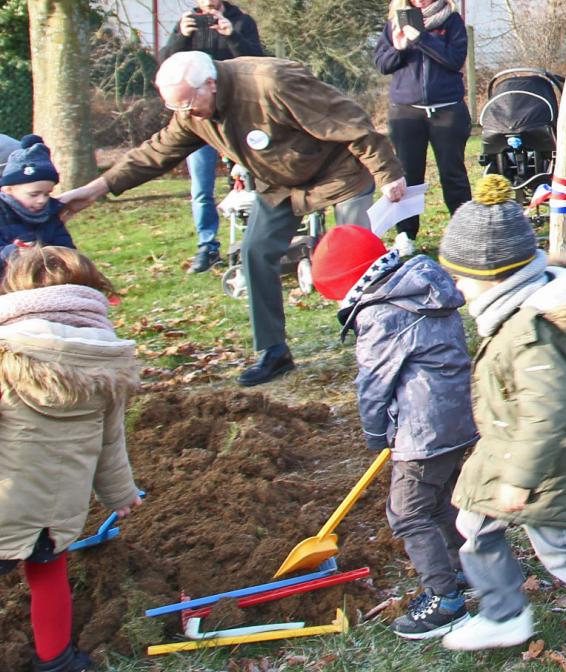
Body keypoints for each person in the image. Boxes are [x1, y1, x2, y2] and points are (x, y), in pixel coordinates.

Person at [58, 51, 406, 386]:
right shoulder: (193, 112)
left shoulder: (272, 82)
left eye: (187, 102)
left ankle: (376, 339)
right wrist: (96, 189)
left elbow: (350, 123)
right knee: (255, 252)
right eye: (176, 106)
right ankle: (273, 350)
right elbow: (157, 151)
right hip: (279, 185)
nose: (185, 112)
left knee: (358, 258)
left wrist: (388, 173)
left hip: (339, 173)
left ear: (209, 83)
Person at [437, 175, 566, 656]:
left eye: (462, 277)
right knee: (474, 525)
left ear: (495, 277)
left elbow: (545, 415)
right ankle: (504, 613)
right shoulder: (512, 312)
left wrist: (520, 478)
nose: (457, 287)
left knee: (557, 542)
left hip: (548, 460)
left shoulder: (533, 333)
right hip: (504, 448)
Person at [313, 223, 479, 640]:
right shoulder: (421, 287)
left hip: (424, 429)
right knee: (438, 502)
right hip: (459, 415)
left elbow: (373, 383)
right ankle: (468, 570)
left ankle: (443, 600)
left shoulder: (379, 313)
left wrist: (375, 434)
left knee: (406, 513)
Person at [0, 247, 141, 672]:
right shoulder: (107, 363)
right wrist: (121, 494)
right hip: (53, 511)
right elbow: (110, 442)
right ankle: (58, 660)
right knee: (47, 577)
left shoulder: (6, 353)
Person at [161, 0, 265, 274]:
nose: (208, 2)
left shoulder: (241, 21)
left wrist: (231, 35)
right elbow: (166, 62)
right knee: (201, 187)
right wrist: (182, 35)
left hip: (236, 113)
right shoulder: (187, 24)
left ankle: (253, 242)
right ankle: (207, 246)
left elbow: (256, 61)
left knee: (250, 180)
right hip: (197, 116)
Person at [371, 0, 472, 251]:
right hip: (406, 111)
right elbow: (382, 64)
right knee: (408, 174)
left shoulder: (450, 21)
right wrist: (400, 47)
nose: (419, 1)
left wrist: (422, 39)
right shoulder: (394, 23)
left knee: (453, 172)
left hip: (447, 109)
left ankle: (463, 232)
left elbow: (454, 59)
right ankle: (406, 235)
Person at [0, 136, 77, 272]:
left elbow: (67, 249)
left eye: (47, 193)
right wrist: (11, 253)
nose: (42, 200)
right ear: (8, 190)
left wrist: (54, 255)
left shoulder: (51, 214)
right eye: (34, 194)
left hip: (45, 280)